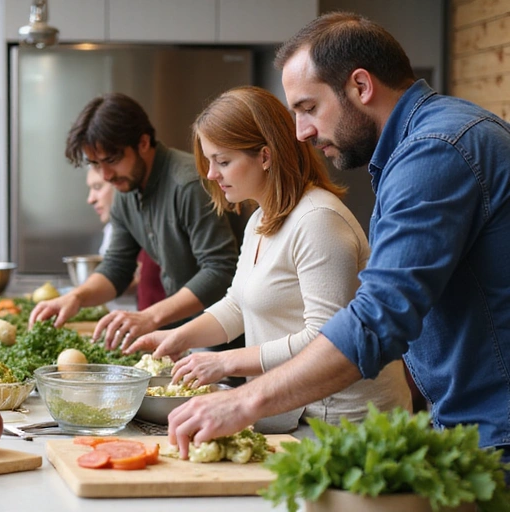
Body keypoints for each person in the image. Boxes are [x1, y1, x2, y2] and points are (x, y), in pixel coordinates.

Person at [166, 10, 510, 474]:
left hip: (496, 429)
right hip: (474, 423)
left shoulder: (436, 150)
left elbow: (377, 319)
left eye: (308, 107)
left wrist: (244, 401)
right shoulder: (421, 146)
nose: (301, 132)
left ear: (361, 86)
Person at [125, 86, 410, 434]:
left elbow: (326, 340)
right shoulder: (261, 220)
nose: (212, 175)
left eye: (223, 161)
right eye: (209, 161)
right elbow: (236, 305)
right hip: (293, 410)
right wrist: (177, 338)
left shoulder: (317, 220)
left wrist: (224, 361)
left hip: (345, 419)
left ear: (264, 156)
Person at [31, 93, 239, 347]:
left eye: (112, 160)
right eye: (96, 164)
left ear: (143, 142)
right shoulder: (125, 192)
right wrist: (77, 297)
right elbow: (117, 267)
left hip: (231, 336)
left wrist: (149, 316)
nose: (106, 175)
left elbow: (220, 270)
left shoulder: (188, 184)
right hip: (188, 336)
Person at [86, 165, 165, 309]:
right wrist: (78, 296)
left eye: (97, 187)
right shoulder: (115, 229)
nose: (90, 199)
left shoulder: (155, 225)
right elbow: (117, 269)